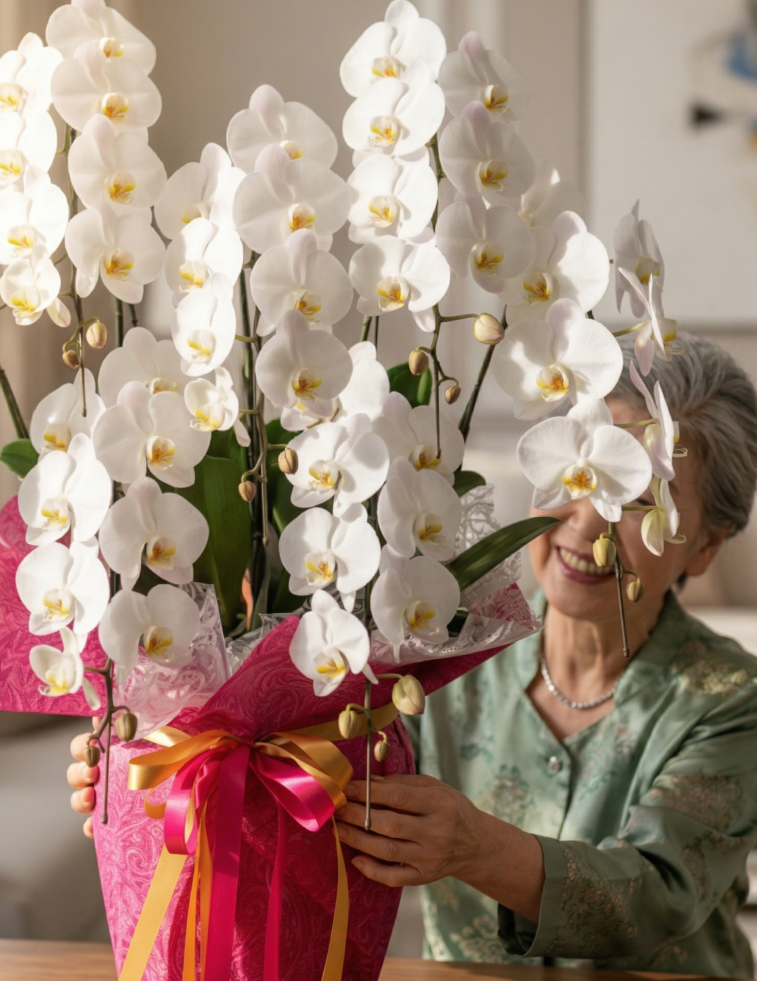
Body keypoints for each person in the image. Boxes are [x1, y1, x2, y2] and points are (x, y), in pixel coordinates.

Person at [68, 334, 757, 975]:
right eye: (578, 479)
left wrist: (477, 847)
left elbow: (660, 893)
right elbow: (322, 781)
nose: (588, 522)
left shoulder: (733, 699)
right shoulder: (439, 645)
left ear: (705, 544)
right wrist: (170, 766)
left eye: (636, 499)